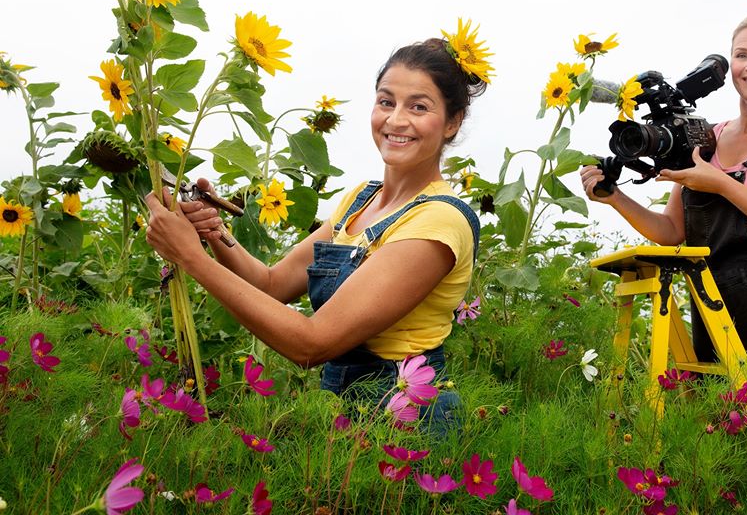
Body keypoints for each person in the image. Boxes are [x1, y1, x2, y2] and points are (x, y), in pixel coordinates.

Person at [144, 23, 492, 434]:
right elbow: (272, 284)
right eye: (386, 101)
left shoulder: (439, 220)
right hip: (341, 413)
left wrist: (189, 255)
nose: (396, 120)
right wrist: (215, 232)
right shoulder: (360, 199)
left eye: (419, 107)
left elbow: (312, 344)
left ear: (452, 122)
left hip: (406, 420)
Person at [580, 10, 747, 362]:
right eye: (741, 55)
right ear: (731, 65)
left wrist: (722, 184)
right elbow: (672, 231)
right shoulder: (704, 137)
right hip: (713, 317)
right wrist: (615, 198)